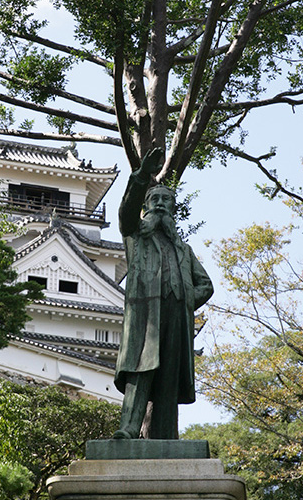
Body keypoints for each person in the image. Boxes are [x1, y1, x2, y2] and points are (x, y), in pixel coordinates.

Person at [113, 148, 214, 440]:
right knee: (141, 369)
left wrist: (184, 299)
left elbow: (206, 285)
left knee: (169, 376)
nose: (159, 204)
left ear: (173, 209)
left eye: (165, 200)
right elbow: (126, 214)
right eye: (154, 200)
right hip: (147, 314)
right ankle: (129, 428)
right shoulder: (137, 236)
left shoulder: (184, 250)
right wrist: (142, 177)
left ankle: (166, 435)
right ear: (146, 206)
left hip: (177, 314)